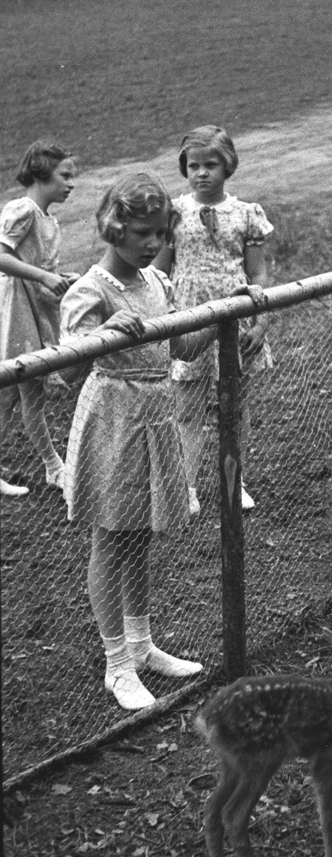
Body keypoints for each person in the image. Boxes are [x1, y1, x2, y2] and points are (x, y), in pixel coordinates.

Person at [60, 172, 217, 712]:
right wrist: (102, 334)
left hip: (156, 416)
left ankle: (143, 645)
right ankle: (116, 663)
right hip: (114, 423)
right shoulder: (91, 289)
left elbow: (183, 349)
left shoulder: (157, 283)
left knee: (140, 539)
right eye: (144, 233)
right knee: (111, 539)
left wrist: (226, 316)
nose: (153, 244)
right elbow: (63, 367)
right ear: (114, 227)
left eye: (160, 233)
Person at [154, 125, 273, 515]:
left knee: (233, 408)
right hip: (190, 321)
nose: (202, 173)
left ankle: (233, 483)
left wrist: (260, 323)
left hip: (234, 322)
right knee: (186, 408)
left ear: (228, 166)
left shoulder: (246, 214)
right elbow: (159, 272)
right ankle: (186, 485)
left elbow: (257, 277)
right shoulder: (172, 213)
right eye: (193, 166)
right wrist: (163, 317)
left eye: (211, 165)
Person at [0, 140, 80, 496]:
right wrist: (43, 277)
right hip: (16, 307)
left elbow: (45, 267)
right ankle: (54, 466)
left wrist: (60, 280)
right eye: (65, 175)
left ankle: (53, 467)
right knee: (21, 387)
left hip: (38, 305)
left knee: (23, 392)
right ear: (41, 172)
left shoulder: (49, 219)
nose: (71, 183)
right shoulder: (23, 209)